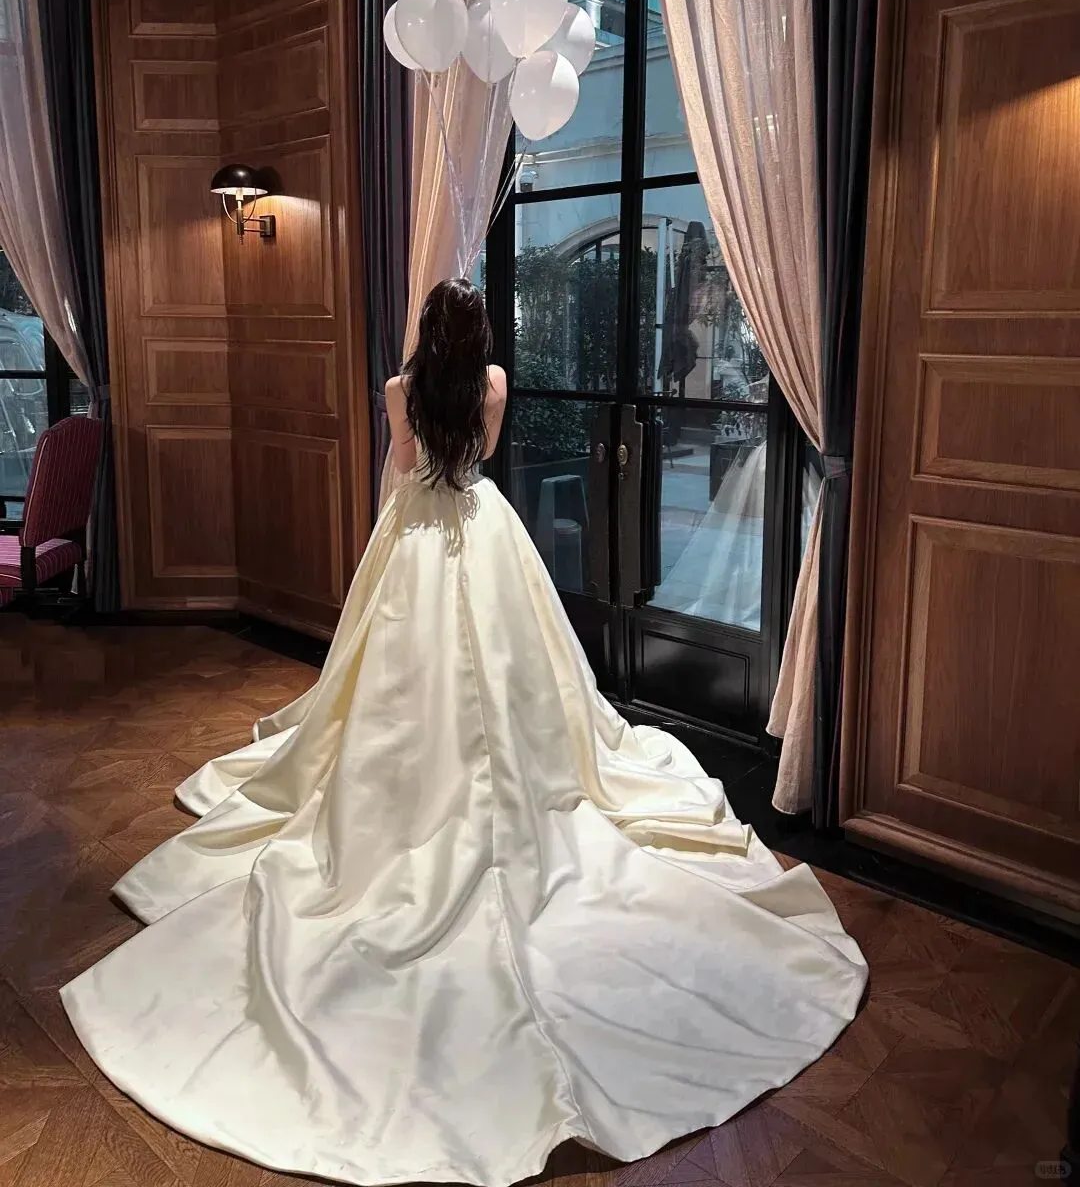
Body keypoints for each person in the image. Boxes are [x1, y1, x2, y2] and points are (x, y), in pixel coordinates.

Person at [62, 279, 868, 1187]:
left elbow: (402, 469)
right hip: (483, 527)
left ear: (425, 332)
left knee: (392, 685)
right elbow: (477, 459)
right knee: (527, 684)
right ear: (478, 335)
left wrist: (393, 522)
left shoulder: (400, 390)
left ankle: (402, 803)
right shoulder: (493, 383)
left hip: (413, 534)